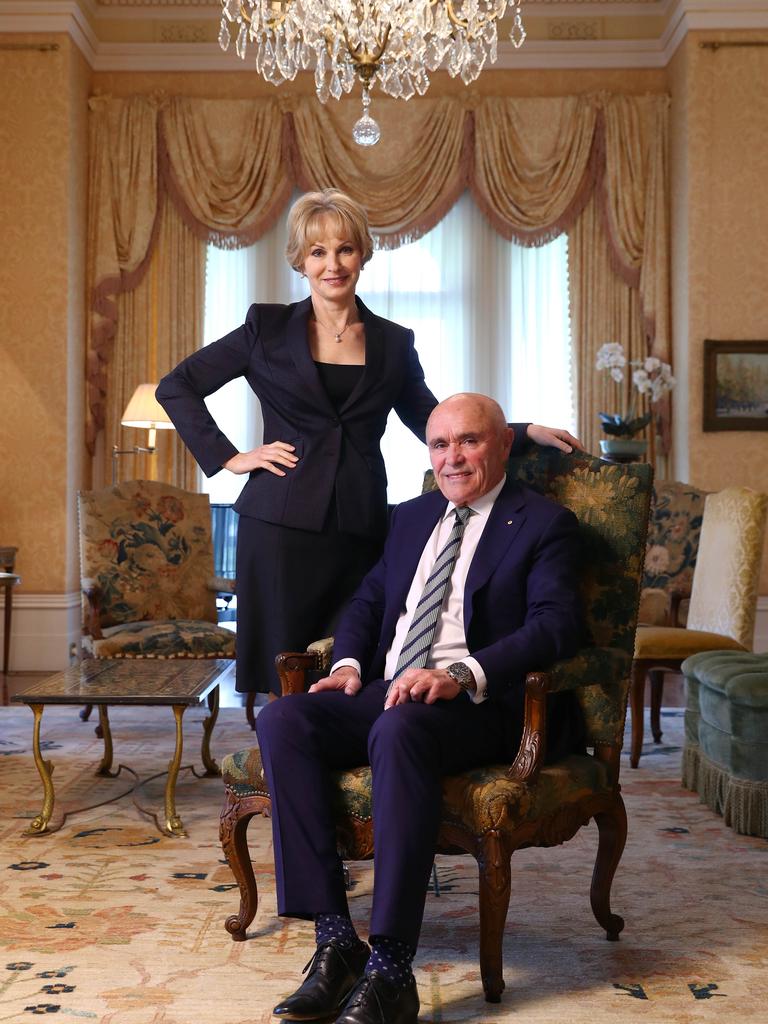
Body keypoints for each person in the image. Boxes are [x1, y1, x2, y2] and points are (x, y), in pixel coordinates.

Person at [156, 189, 582, 699]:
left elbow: (430, 417)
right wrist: (231, 457)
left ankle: (360, 768)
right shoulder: (264, 328)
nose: (332, 265)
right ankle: (283, 769)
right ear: (300, 260)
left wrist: (520, 430)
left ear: (362, 255)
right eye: (318, 252)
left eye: (345, 250)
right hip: (279, 526)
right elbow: (175, 386)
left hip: (359, 525)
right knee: (283, 673)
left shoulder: (392, 343)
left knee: (359, 664)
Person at [256, 393, 584, 1024]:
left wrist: (461, 674)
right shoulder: (410, 518)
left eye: (469, 442)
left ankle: (390, 969)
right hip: (390, 686)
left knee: (400, 729)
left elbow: (555, 628)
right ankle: (334, 942)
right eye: (439, 445)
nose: (452, 458)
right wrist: (349, 666)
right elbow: (368, 602)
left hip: (480, 701)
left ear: (503, 445)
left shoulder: (543, 523)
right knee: (284, 719)